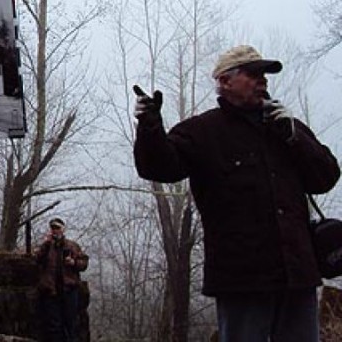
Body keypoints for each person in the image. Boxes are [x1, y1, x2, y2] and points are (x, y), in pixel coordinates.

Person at [133, 45, 340, 342]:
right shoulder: (202, 131)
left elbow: (326, 177)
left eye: (265, 75)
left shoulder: (285, 127)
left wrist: (295, 136)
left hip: (298, 275)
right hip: (242, 280)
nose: (263, 81)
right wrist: (150, 128)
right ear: (224, 81)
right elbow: (159, 168)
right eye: (253, 74)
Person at [35, 217, 89, 342]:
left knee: (71, 323)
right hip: (51, 291)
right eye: (53, 228)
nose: (55, 231)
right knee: (54, 326)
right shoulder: (46, 246)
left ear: (63, 229)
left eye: (57, 228)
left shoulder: (72, 246)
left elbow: (84, 263)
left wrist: (73, 262)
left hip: (69, 290)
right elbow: (37, 259)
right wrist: (46, 244)